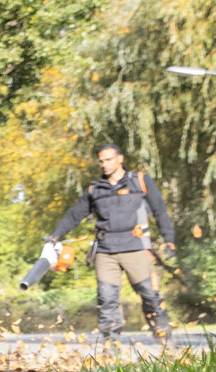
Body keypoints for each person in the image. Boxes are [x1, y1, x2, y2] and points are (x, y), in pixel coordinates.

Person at [44, 143, 177, 343]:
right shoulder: (94, 189)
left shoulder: (139, 181)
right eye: (101, 161)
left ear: (120, 158)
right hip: (106, 251)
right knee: (106, 301)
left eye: (108, 159)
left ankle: (166, 342)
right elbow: (74, 215)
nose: (104, 164)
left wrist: (169, 240)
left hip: (136, 248)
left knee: (150, 295)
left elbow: (159, 210)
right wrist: (55, 235)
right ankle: (111, 347)